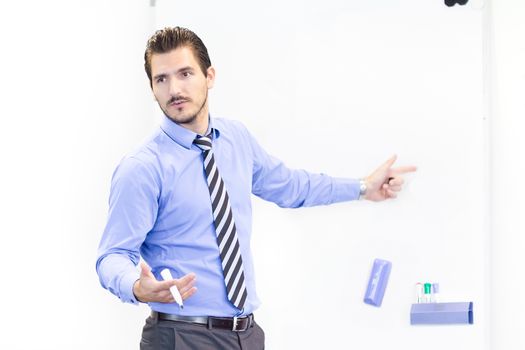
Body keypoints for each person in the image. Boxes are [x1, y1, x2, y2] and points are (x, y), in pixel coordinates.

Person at [96, 26, 416, 349]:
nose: (174, 89)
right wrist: (137, 286)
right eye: (161, 79)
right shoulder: (142, 168)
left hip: (246, 334)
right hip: (181, 336)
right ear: (152, 88)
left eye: (185, 74)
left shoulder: (236, 140)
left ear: (209, 76)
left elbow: (292, 187)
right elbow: (112, 256)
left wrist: (363, 187)